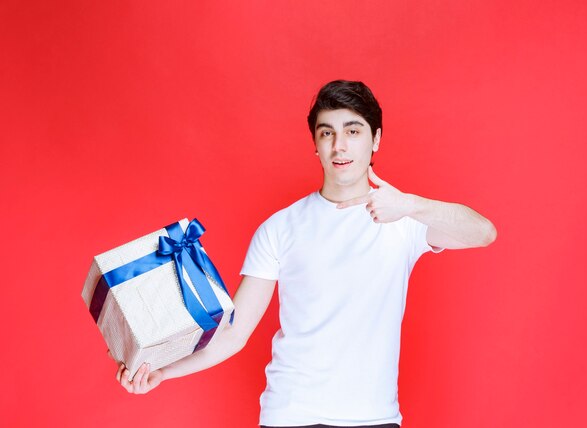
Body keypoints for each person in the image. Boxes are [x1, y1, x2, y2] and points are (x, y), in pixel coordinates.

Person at [115, 80, 497, 427]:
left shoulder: (403, 220)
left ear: (375, 140)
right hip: (290, 415)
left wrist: (412, 205)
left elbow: (483, 233)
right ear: (315, 144)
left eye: (353, 131)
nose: (339, 145)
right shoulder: (280, 228)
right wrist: (163, 370)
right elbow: (233, 333)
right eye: (327, 133)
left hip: (374, 417)